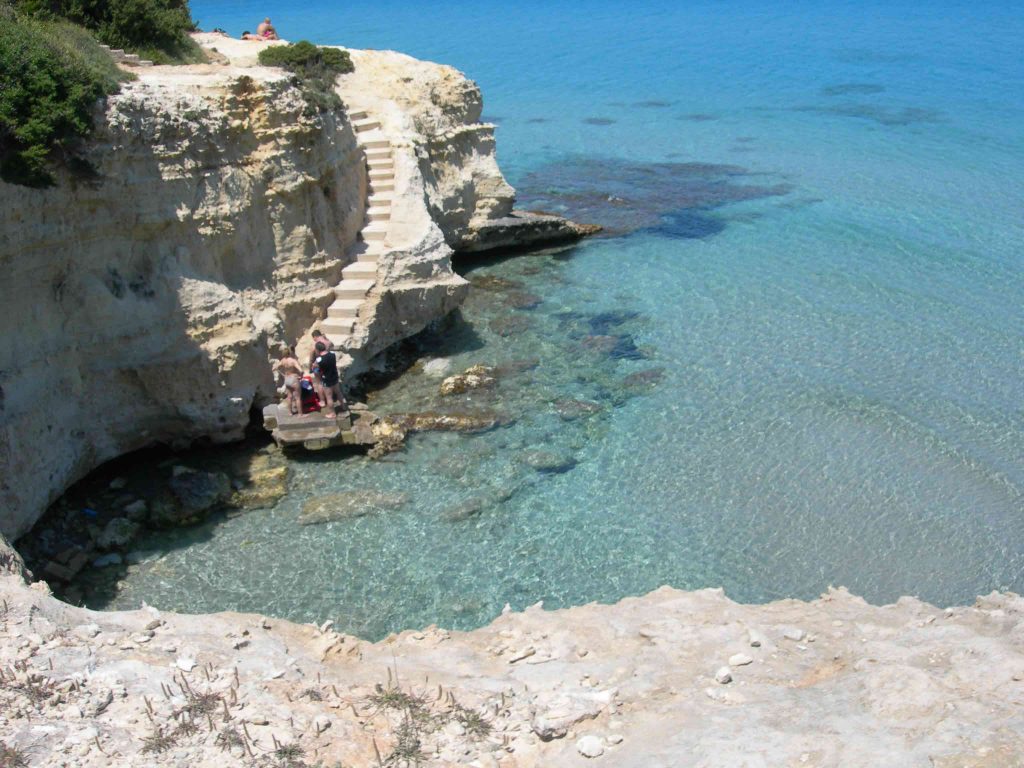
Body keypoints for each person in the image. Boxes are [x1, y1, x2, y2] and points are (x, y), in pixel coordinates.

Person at [311, 341, 347, 417]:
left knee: (329, 397)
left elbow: (314, 368)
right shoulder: (332, 354)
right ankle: (343, 406)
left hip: (327, 379)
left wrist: (314, 367)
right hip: (335, 377)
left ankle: (332, 413)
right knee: (338, 392)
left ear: (317, 350)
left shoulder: (319, 360)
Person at [272, 347, 303, 415]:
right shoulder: (293, 361)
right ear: (290, 353)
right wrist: (301, 376)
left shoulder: (283, 360)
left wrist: (282, 374)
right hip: (294, 378)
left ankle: (290, 412)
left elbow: (274, 368)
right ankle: (300, 414)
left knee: (289, 397)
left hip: (287, 379)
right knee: (297, 397)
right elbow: (301, 370)